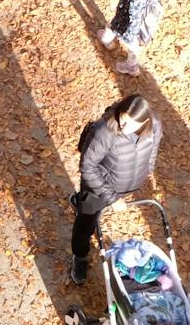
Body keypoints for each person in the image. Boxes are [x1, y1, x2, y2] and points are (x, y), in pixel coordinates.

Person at [70, 96, 163, 285]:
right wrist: (112, 198)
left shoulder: (154, 125)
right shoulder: (104, 131)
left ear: (145, 121)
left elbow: (152, 150)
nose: (123, 125)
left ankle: (80, 201)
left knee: (90, 215)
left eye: (131, 123)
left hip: (125, 186)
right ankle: (79, 257)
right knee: (85, 224)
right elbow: (87, 167)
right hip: (99, 189)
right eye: (123, 118)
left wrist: (147, 170)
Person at [93, 0, 163, 76]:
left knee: (114, 29)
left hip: (127, 24)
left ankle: (109, 43)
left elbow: (134, 21)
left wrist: (129, 36)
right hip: (135, 25)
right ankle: (131, 65)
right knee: (131, 45)